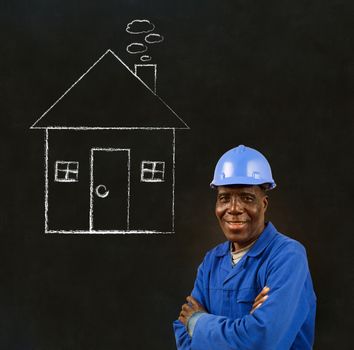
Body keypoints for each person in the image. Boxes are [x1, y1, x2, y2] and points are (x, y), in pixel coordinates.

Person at [173, 145, 316, 350]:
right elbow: (183, 337)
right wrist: (246, 329)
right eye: (224, 198)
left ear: (264, 204)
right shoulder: (211, 261)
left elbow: (263, 341)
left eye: (246, 198)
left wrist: (197, 323)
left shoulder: (288, 257)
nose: (233, 209)